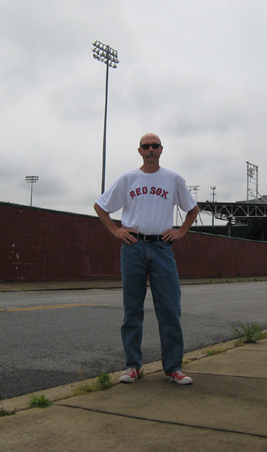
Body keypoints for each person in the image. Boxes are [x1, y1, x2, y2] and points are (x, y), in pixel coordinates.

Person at [94, 133, 200, 385]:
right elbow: (101, 206)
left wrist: (181, 231)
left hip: (162, 247)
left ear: (161, 150)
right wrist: (115, 230)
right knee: (132, 309)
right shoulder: (129, 178)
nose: (150, 149)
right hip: (134, 247)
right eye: (146, 146)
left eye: (155, 146)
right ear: (139, 151)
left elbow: (192, 208)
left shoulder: (173, 179)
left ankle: (173, 367)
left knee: (170, 309)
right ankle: (133, 366)